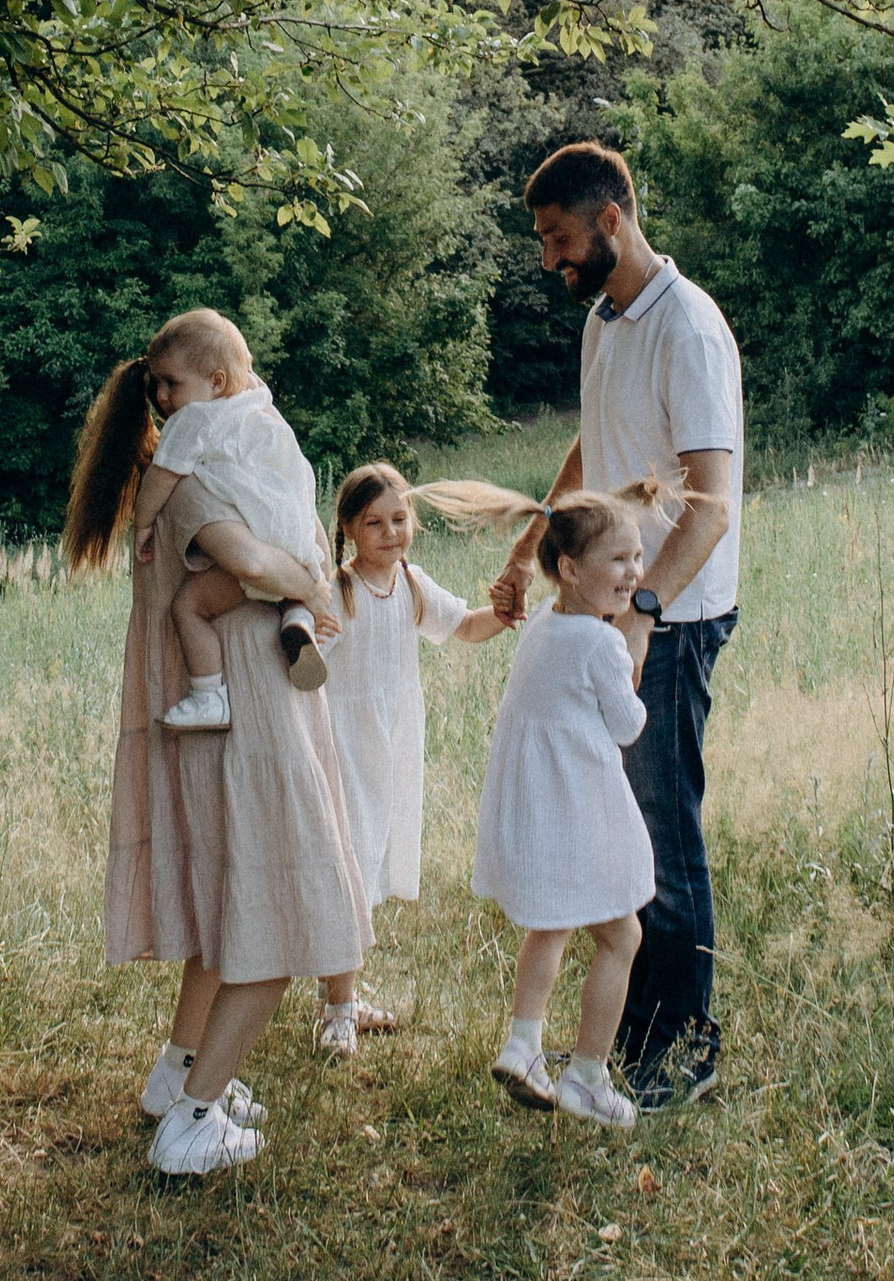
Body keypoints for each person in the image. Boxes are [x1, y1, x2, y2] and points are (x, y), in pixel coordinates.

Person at [68, 313, 371, 1179]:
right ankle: (193, 1125)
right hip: (248, 719)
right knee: (278, 920)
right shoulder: (198, 482)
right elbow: (254, 562)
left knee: (225, 913)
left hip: (243, 710)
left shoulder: (202, 467)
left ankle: (175, 1079)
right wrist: (316, 584)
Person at [490, 142, 742, 1106]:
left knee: (657, 830)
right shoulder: (604, 319)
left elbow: (713, 505)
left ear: (611, 220)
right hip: (610, 611)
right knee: (609, 822)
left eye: (559, 240)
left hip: (672, 616)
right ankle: (614, 1047)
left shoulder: (690, 329)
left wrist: (642, 613)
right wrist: (528, 551)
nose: (552, 261)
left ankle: (681, 1052)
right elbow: (597, 443)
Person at [315, 462, 511, 1059]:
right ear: (348, 529)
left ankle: (339, 998)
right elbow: (300, 663)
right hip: (344, 745)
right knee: (346, 868)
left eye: (400, 518)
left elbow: (468, 627)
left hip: (391, 744)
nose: (390, 532)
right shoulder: (337, 591)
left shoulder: (412, 584)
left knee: (369, 862)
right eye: (374, 522)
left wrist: (505, 611)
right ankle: (338, 1012)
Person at [471, 490, 654, 1127]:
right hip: (581, 808)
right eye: (618, 560)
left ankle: (523, 1046)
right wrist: (636, 654)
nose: (634, 573)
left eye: (638, 557)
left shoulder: (547, 624)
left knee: (549, 926)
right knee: (623, 935)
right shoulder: (604, 646)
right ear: (571, 569)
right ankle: (586, 1076)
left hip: (538, 807)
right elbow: (628, 726)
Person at [132, 312, 337, 727]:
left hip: (255, 538)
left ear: (217, 382)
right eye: (157, 384)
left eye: (172, 382)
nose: (162, 396)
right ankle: (297, 619)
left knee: (188, 606)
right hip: (298, 532)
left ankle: (209, 696)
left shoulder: (194, 419)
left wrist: (142, 523)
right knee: (291, 592)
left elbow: (161, 477)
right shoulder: (259, 403)